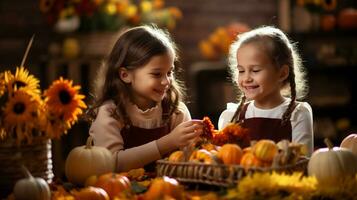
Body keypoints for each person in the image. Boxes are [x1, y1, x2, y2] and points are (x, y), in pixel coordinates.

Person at [88, 25, 203, 172]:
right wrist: (167, 143)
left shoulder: (176, 111)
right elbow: (111, 163)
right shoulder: (111, 112)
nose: (166, 81)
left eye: (169, 72)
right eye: (157, 74)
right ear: (125, 75)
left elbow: (191, 159)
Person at [218, 26, 313, 155]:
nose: (246, 78)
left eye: (255, 70)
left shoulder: (297, 114)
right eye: (241, 71)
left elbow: (301, 162)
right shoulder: (233, 116)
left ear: (282, 73)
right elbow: (226, 157)